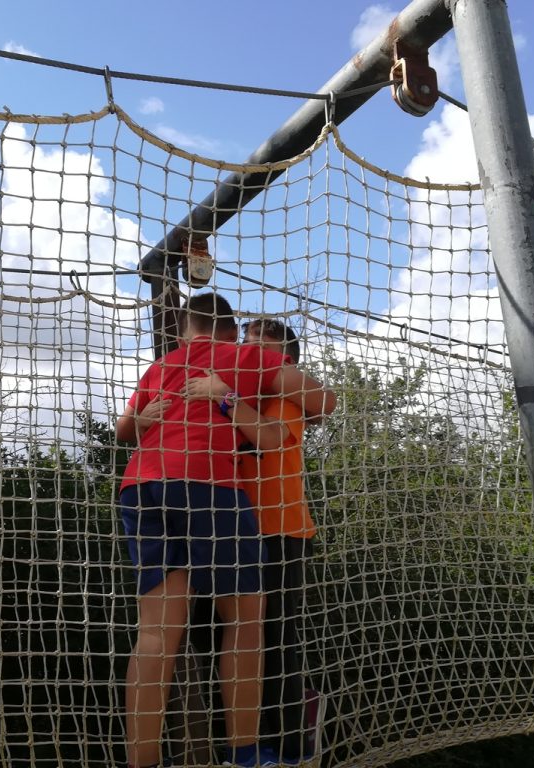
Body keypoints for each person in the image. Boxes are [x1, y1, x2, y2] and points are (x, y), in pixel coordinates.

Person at [115, 293, 334, 768]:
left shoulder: (161, 366)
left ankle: (142, 760)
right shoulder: (245, 359)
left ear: (182, 332)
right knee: (247, 622)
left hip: (141, 486)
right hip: (209, 486)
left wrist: (145, 420)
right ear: (233, 334)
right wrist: (235, 391)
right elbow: (325, 401)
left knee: (156, 633)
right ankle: (245, 753)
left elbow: (123, 430)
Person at [183, 318, 336, 764]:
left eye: (259, 348)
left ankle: (289, 744)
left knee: (273, 636)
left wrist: (225, 396)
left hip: (278, 528)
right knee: (213, 635)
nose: (248, 354)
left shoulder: (282, 397)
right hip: (225, 524)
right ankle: (234, 741)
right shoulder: (237, 393)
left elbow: (270, 440)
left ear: (283, 360)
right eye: (244, 345)